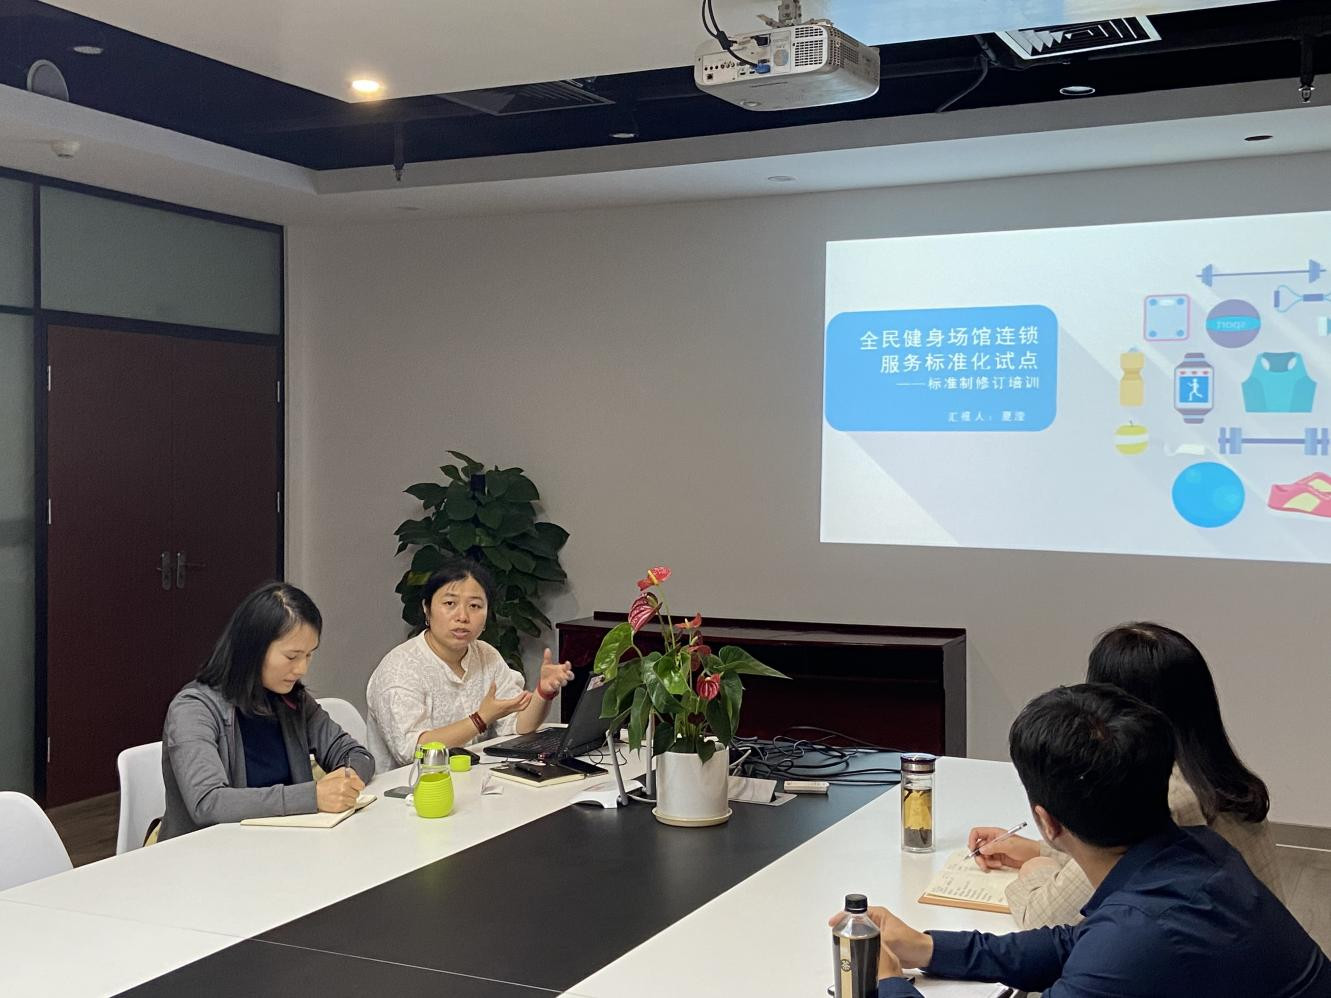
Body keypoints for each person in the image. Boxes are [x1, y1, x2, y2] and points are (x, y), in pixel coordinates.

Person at [830, 684, 1329, 998]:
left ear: (1046, 824)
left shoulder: (1135, 941)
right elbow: (1070, 943)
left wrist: (887, 983)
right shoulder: (1203, 854)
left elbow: (1099, 950)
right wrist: (926, 947)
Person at [969, 621, 1282, 927]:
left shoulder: (1163, 797)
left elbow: (1045, 918)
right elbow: (1110, 862)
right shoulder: (1218, 775)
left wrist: (1036, 868)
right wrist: (1040, 849)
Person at [159, 582, 374, 841]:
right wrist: (313, 796)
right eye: (292, 656)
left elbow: (356, 754)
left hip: (286, 843)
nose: (302, 669)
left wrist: (347, 778)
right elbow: (208, 802)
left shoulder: (293, 700)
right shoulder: (194, 708)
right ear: (253, 650)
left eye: (309, 655)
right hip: (211, 852)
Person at [365, 559, 574, 769]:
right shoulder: (400, 669)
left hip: (473, 776)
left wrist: (543, 693)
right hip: (413, 784)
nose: (463, 616)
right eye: (450, 604)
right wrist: (481, 719)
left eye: (475, 606)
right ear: (427, 609)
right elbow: (413, 751)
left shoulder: (486, 655)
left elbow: (517, 726)